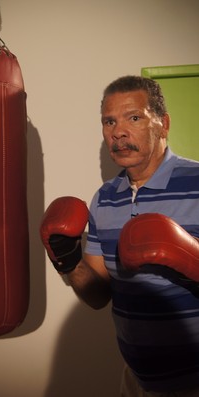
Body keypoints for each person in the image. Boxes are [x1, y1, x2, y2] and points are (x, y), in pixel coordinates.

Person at [40, 75, 199, 396]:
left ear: (163, 124)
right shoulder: (105, 198)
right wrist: (67, 261)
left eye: (134, 118)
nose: (118, 132)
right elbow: (98, 296)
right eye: (109, 121)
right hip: (137, 380)